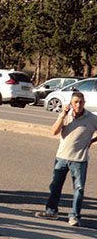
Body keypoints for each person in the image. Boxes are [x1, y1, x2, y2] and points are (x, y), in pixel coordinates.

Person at [35, 91, 97, 227]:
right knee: (55, 186)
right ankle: (51, 211)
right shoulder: (65, 116)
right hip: (62, 157)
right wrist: (62, 116)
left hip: (79, 160)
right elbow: (54, 132)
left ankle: (74, 216)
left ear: (84, 103)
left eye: (81, 102)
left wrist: (92, 141)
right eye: (75, 102)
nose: (78, 105)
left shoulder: (92, 118)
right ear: (71, 103)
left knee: (79, 189)